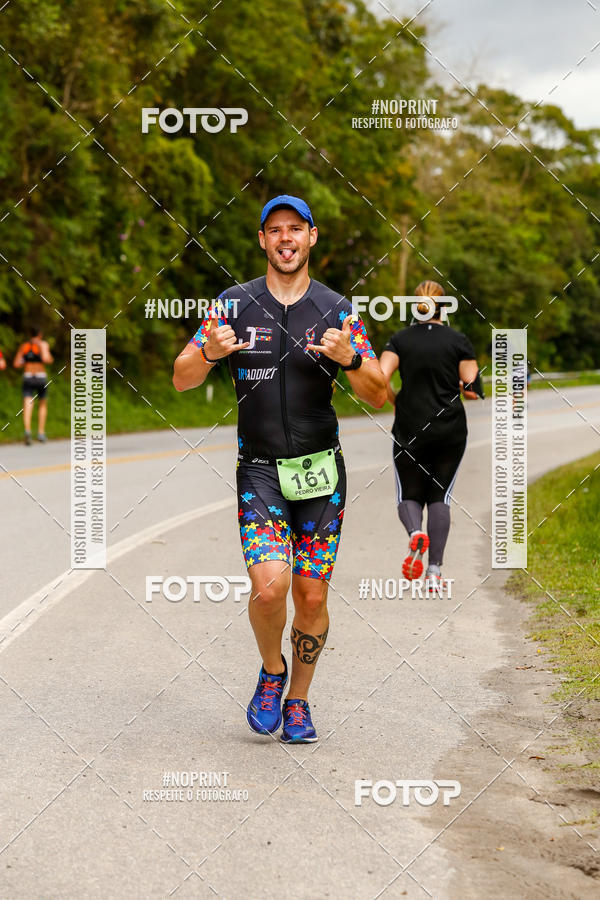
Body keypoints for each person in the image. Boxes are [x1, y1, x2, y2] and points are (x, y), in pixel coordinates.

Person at [173, 195, 386, 742]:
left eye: (295, 228)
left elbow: (379, 394)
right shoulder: (232, 304)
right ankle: (272, 671)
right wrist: (210, 353)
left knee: (311, 596)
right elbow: (181, 377)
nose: (285, 238)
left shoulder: (338, 310)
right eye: (275, 230)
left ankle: (298, 702)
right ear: (262, 240)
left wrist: (351, 359)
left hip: (321, 473)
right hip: (260, 471)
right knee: (270, 589)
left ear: (311, 236)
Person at [379, 280, 481, 598]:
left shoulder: (400, 340)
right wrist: (460, 385)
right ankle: (435, 572)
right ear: (444, 307)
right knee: (440, 497)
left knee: (408, 494)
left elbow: (379, 378)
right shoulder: (458, 341)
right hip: (450, 431)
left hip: (409, 428)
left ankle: (415, 532)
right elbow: (472, 389)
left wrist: (396, 400)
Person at [13, 327, 54, 445]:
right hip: (40, 377)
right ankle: (41, 432)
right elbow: (47, 359)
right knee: (42, 404)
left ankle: (27, 430)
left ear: (30, 334)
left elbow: (16, 363)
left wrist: (27, 360)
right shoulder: (43, 344)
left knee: (28, 404)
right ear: (40, 334)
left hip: (28, 376)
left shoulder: (25, 346)